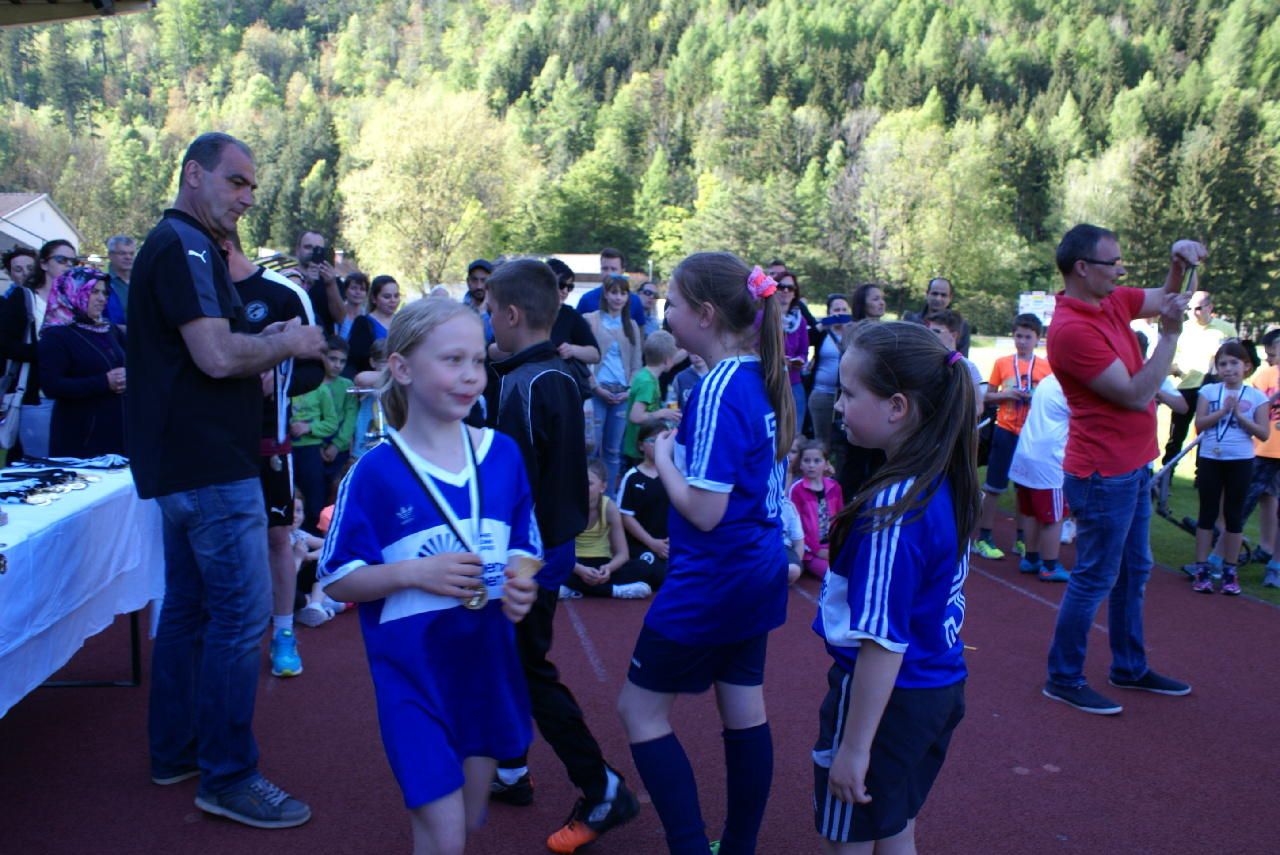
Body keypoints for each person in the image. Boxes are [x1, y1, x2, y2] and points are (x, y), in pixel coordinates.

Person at [128, 132, 325, 827]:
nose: (247, 197)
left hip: (185, 467)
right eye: (236, 181)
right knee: (240, 617)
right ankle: (229, 774)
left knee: (188, 609)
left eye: (251, 187)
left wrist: (262, 348)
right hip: (210, 468)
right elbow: (214, 356)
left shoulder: (181, 245)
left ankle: (178, 750)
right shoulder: (184, 246)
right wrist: (287, 341)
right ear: (193, 174)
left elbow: (200, 356)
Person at [317, 297, 540, 855]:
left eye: (477, 360)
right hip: (413, 680)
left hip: (486, 671)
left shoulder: (504, 455)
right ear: (402, 368)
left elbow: (525, 542)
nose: (470, 376)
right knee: (444, 832)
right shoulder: (373, 472)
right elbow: (337, 578)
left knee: (464, 822)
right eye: (452, 360)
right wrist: (414, 572)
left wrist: (521, 580)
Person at [617, 253, 794, 855]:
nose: (666, 313)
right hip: (756, 566)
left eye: (673, 302)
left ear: (706, 314)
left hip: (715, 575)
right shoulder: (763, 373)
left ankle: (691, 847)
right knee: (742, 706)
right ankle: (738, 846)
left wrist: (665, 458)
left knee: (639, 711)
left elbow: (705, 511)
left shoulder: (718, 386)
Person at [482, 258, 639, 853]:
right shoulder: (558, 374)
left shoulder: (527, 384)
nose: (488, 322)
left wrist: (509, 556)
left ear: (511, 314)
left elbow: (515, 482)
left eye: (490, 312)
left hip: (530, 550)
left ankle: (601, 785)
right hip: (549, 543)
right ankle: (511, 769)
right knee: (511, 661)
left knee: (528, 669)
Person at [813, 321, 977, 853]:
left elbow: (883, 639)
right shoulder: (944, 478)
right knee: (894, 824)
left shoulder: (894, 506)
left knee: (851, 839)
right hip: (934, 688)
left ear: (897, 407)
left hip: (890, 702)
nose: (838, 406)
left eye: (849, 393)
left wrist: (855, 748)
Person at [1042, 223, 1204, 716]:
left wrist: (1179, 264)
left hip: (1131, 466)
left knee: (1135, 570)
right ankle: (1063, 677)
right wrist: (1169, 337)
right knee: (1095, 577)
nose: (1121, 270)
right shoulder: (1071, 330)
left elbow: (1164, 298)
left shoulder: (1110, 299)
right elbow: (1136, 394)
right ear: (1082, 268)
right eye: (1112, 263)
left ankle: (1129, 667)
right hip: (1102, 475)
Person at [222, 230, 325, 676]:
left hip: (268, 437)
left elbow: (315, 368)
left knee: (277, 536)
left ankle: (284, 633)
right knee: (219, 541)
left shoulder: (284, 293)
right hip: (210, 440)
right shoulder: (195, 292)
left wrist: (276, 378)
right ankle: (224, 634)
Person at [1190, 341, 1270, 595]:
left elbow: (1263, 434)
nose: (1228, 368)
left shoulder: (1257, 397)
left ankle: (1229, 571)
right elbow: (1200, 424)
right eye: (1223, 364)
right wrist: (1222, 411)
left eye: (1234, 363)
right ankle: (1201, 568)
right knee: (1207, 513)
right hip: (1210, 458)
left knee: (1234, 515)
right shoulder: (1209, 391)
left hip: (1241, 461)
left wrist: (1240, 416)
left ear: (1246, 366)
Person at [974, 314, 1052, 560]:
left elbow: (1050, 400)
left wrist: (1034, 396)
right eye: (1018, 336)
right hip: (1005, 431)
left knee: (1024, 489)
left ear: (1038, 339)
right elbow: (987, 396)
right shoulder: (1002, 363)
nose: (1022, 341)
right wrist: (1007, 395)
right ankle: (984, 537)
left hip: (1031, 435)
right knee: (994, 486)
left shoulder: (1046, 368)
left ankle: (1021, 539)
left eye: (1028, 337)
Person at [37, 267, 126, 456]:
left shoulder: (108, 329)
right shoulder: (57, 335)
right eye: (94, 292)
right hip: (80, 434)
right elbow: (51, 386)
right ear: (73, 292)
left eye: (105, 293)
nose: (102, 298)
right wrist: (104, 382)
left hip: (115, 428)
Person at [0, 238, 76, 458]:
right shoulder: (24, 298)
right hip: (37, 394)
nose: (68, 266)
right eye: (61, 260)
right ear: (43, 264)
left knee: (69, 463)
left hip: (71, 394)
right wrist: (46, 352)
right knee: (39, 464)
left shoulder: (74, 301)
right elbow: (5, 345)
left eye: (73, 262)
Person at [562, 461, 664, 600]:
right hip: (573, 563)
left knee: (645, 568)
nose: (582, 487)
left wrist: (609, 568)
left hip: (601, 564)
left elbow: (623, 554)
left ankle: (571, 588)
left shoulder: (609, 508)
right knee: (546, 566)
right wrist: (579, 569)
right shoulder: (566, 507)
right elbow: (556, 552)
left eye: (589, 483)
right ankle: (614, 590)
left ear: (603, 487)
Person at [1007, 373, 1072, 582]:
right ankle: (1050, 565)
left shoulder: (1048, 380)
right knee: (1054, 516)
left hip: (1026, 453)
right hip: (1048, 458)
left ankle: (1031, 557)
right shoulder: (1069, 386)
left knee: (1031, 511)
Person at [1163, 290, 1235, 466]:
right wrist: (1173, 369)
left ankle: (1201, 474)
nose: (1193, 312)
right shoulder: (1182, 328)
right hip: (1185, 386)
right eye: (1189, 308)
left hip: (1213, 388)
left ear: (1210, 307)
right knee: (1176, 434)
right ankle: (1167, 473)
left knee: (1207, 435)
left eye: (1198, 308)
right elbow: (1169, 356)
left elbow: (1236, 357)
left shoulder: (1226, 329)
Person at [585, 273, 643, 490]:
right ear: (605, 294)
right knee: (590, 447)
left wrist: (629, 390)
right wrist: (596, 387)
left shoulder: (632, 325)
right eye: (614, 292)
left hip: (622, 394)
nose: (618, 297)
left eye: (623, 293)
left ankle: (608, 497)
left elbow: (637, 363)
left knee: (613, 450)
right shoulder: (591, 320)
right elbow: (584, 361)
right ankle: (586, 495)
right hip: (598, 391)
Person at [290, 336, 350, 532]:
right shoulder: (286, 384)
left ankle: (315, 541)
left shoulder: (323, 389)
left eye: (342, 361)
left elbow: (333, 422)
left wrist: (309, 428)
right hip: (288, 448)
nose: (337, 365)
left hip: (313, 449)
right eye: (333, 359)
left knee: (316, 499)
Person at [617, 420, 675, 586]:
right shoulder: (632, 477)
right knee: (652, 572)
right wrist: (652, 543)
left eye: (663, 440)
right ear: (641, 446)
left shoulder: (675, 473)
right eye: (652, 441)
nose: (658, 445)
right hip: (642, 546)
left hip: (671, 544)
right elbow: (626, 516)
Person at [1244, 329, 1280, 587]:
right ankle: (1223, 557)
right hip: (1262, 451)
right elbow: (1252, 408)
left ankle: (1275, 565)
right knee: (1246, 501)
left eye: (1272, 354)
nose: (1269, 359)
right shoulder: (1265, 376)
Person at [623, 330, 681, 470]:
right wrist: (661, 413)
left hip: (642, 445)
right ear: (667, 360)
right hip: (639, 448)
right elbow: (635, 416)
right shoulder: (647, 382)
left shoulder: (646, 375)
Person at [788, 439, 844, 580]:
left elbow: (841, 519)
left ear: (826, 463)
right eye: (807, 460)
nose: (811, 465)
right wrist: (817, 550)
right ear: (800, 464)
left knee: (852, 566)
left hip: (832, 547)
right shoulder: (797, 490)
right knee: (832, 575)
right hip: (810, 552)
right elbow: (796, 527)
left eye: (817, 461)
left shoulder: (835, 487)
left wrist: (837, 546)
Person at [808, 293, 853, 450]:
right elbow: (804, 340)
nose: (840, 313)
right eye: (836, 310)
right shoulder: (822, 333)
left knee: (843, 441)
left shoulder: (855, 333)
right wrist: (822, 325)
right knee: (821, 441)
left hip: (847, 396)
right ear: (829, 312)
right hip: (821, 394)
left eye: (844, 310)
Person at [924, 310, 985, 414]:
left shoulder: (968, 367)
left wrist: (954, 416)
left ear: (953, 335)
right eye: (928, 331)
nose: (930, 335)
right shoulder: (924, 362)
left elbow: (978, 407)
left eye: (936, 331)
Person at [573, 248, 646, 326]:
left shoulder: (635, 301)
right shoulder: (587, 300)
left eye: (613, 269)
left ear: (622, 271)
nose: (608, 273)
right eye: (605, 269)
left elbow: (640, 330)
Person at [776, 270, 810, 435]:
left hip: (793, 382)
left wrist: (798, 361)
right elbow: (751, 349)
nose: (785, 291)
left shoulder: (800, 321)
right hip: (768, 383)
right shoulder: (761, 318)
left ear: (795, 293)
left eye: (790, 288)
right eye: (781, 287)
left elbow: (804, 351)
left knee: (794, 434)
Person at [346, 274, 400, 377]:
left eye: (396, 296)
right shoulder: (363, 323)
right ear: (374, 299)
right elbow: (356, 360)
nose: (393, 300)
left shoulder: (403, 322)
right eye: (387, 297)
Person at [903, 276, 971, 355]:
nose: (938, 298)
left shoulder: (961, 326)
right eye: (934, 294)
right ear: (927, 294)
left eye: (943, 295)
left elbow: (963, 359)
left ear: (950, 298)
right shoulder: (911, 322)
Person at [294, 230, 345, 335]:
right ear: (297, 250)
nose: (313, 252)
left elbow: (340, 318)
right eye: (308, 247)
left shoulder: (332, 281)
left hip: (324, 340)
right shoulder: (288, 277)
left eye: (318, 249)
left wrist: (331, 284)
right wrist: (307, 284)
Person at [104, 235, 136, 328]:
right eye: (122, 253)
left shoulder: (143, 279)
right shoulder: (102, 282)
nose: (128, 257)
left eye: (131, 253)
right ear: (110, 255)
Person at [335, 270, 369, 340]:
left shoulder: (367, 316)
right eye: (354, 288)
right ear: (345, 291)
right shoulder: (337, 312)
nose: (358, 292)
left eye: (362, 289)